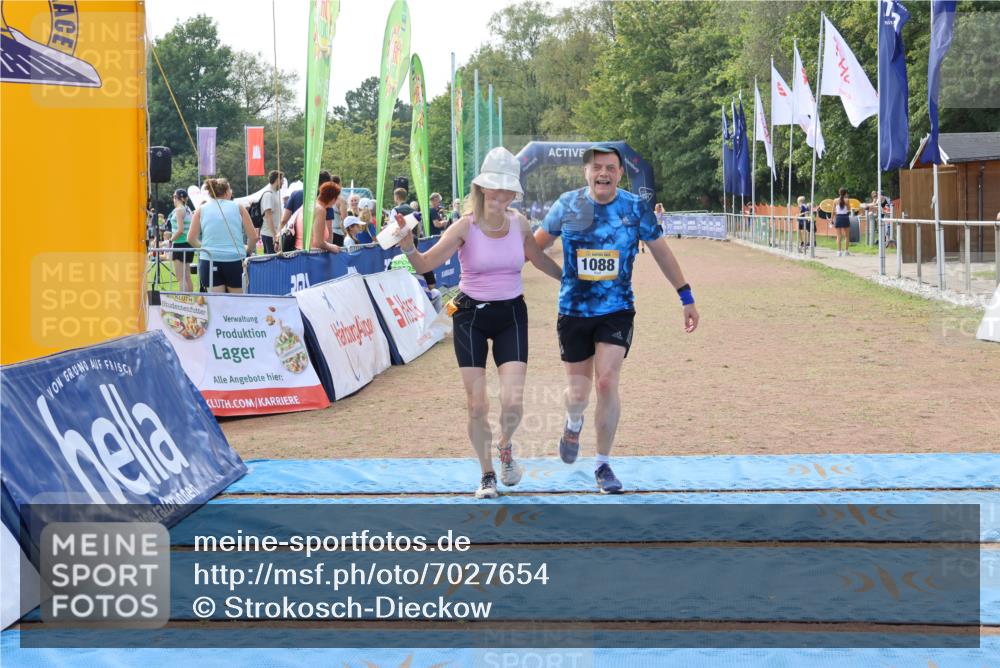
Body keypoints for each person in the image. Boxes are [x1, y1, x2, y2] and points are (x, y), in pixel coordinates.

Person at [395, 147, 563, 499]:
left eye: (509, 190)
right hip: (469, 314)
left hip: (511, 314)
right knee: (477, 405)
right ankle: (487, 474)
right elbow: (426, 264)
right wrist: (409, 247)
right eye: (496, 188)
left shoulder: (519, 223)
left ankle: (505, 447)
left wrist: (569, 279)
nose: (503, 196)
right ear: (483, 189)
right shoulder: (463, 227)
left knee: (513, 402)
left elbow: (536, 257)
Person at [533, 144, 699, 494]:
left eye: (610, 167)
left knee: (607, 382)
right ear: (586, 172)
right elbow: (532, 248)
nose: (603, 173)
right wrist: (558, 273)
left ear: (620, 173)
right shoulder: (568, 205)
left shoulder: (635, 208)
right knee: (577, 394)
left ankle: (603, 463)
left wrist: (685, 295)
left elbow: (662, 253)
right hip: (574, 311)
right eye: (597, 167)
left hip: (617, 310)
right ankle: (573, 421)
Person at [187, 178, 258, 293]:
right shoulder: (238, 207)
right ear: (226, 192)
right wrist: (248, 251)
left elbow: (191, 238)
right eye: (230, 189)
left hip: (209, 260)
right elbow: (253, 237)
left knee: (216, 305)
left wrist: (205, 249)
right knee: (237, 305)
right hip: (235, 260)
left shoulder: (201, 209)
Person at [287, 182, 343, 253]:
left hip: (300, 252)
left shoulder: (307, 205)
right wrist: (333, 247)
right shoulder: (320, 210)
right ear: (333, 199)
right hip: (313, 256)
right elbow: (318, 242)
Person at [167, 188, 194, 292]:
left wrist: (170, 240)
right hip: (187, 244)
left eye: (174, 197)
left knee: (180, 277)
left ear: (179, 198)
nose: (173, 199)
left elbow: (180, 230)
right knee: (187, 276)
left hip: (179, 244)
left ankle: (184, 303)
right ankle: (190, 301)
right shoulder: (187, 209)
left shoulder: (179, 210)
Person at [259, 170, 283, 254]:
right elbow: (268, 216)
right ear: (277, 180)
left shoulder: (275, 193)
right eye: (282, 180)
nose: (283, 182)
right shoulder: (268, 194)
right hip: (269, 235)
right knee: (272, 262)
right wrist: (274, 235)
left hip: (273, 234)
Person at [833, 187, 852, 256]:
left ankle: (839, 252)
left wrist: (832, 219)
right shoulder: (847, 200)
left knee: (839, 236)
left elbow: (833, 211)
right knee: (847, 236)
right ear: (845, 193)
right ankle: (846, 251)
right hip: (845, 217)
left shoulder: (835, 200)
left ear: (839, 193)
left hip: (838, 217)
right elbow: (849, 209)